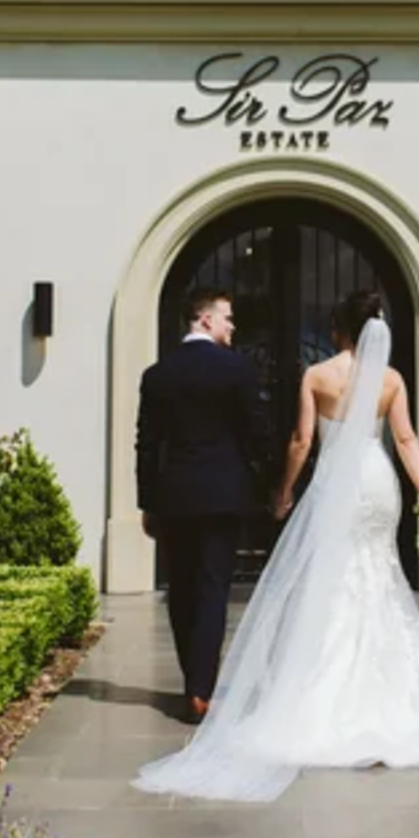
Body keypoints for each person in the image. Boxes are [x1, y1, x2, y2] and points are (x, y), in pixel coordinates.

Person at [133, 289, 419, 803]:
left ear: (337, 330)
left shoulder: (317, 376)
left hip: (330, 488)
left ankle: (274, 687)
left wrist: (282, 491)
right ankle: (386, 693)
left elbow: (301, 442)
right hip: (375, 484)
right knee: (379, 574)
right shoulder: (391, 380)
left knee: (327, 579)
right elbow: (407, 440)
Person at [134, 286, 274, 724]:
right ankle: (201, 688)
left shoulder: (157, 375)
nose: (233, 327)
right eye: (228, 318)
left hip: (175, 496)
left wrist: (148, 502)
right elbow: (258, 431)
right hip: (223, 495)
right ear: (206, 320)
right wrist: (268, 482)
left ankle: (190, 679)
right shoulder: (236, 370)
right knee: (213, 588)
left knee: (180, 588)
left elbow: (146, 445)